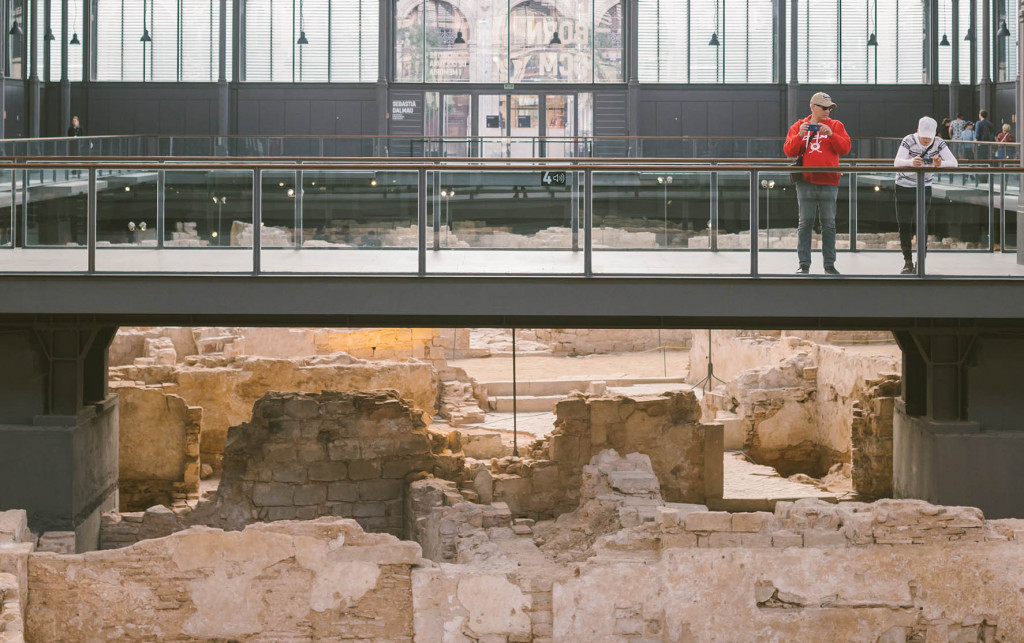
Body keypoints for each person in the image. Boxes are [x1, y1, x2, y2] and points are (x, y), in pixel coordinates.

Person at [783, 91, 852, 275]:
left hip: (829, 181)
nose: (827, 111)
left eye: (830, 108)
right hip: (806, 181)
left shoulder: (836, 125)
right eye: (824, 108)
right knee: (805, 223)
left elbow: (845, 148)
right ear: (813, 107)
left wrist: (832, 135)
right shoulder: (799, 125)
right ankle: (804, 264)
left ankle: (829, 264)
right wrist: (800, 135)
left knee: (828, 224)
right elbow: (788, 150)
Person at [893, 116, 958, 274]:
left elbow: (954, 163)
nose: (925, 141)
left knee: (922, 223)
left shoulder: (938, 143)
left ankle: (920, 261)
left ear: (935, 134)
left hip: (924, 186)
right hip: (903, 186)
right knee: (904, 224)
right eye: (923, 138)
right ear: (917, 132)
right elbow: (897, 162)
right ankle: (908, 261)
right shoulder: (908, 140)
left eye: (929, 138)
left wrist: (939, 164)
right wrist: (911, 162)